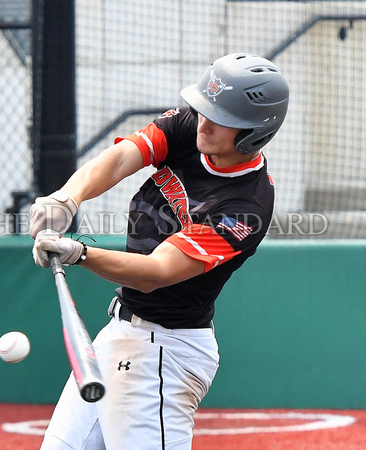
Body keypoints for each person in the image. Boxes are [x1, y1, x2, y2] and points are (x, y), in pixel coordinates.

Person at [30, 53, 289, 449]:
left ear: (254, 132)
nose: (203, 122)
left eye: (221, 119)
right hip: (120, 333)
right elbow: (121, 158)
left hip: (165, 352)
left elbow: (157, 272)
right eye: (204, 108)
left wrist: (79, 254)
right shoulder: (192, 127)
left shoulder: (246, 207)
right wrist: (67, 198)